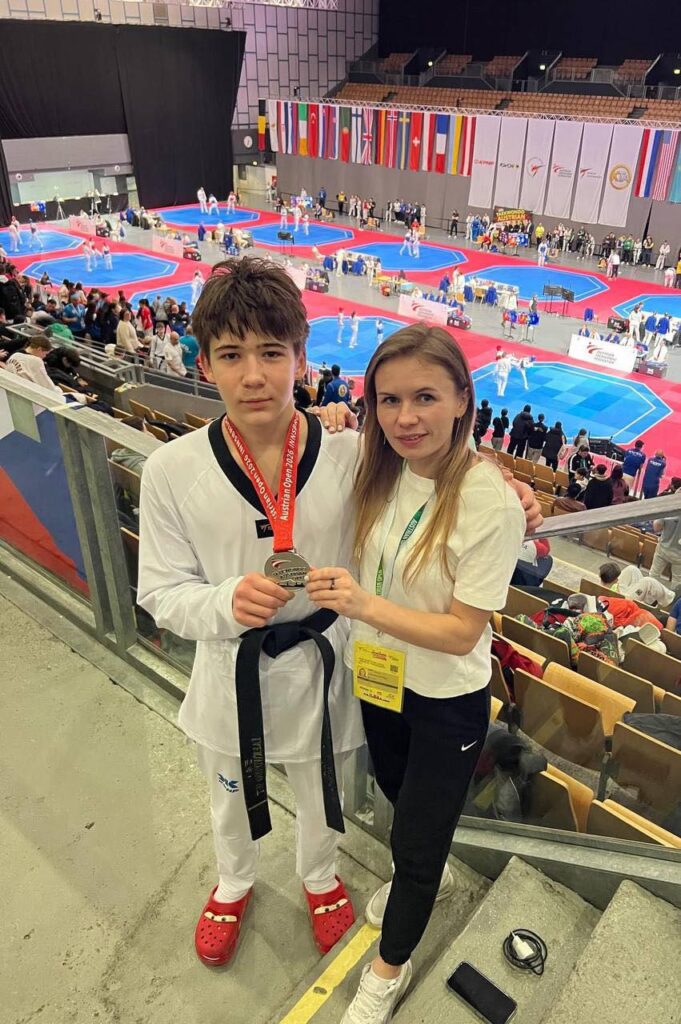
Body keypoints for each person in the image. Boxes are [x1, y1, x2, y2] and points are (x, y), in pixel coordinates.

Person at [137, 257, 366, 968]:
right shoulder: (171, 470)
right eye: (232, 355)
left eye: (271, 353)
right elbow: (159, 591)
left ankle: (319, 875)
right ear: (204, 364)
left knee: (322, 784)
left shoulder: (351, 454)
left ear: (301, 358)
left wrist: (505, 491)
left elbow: (434, 489)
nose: (254, 375)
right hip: (231, 662)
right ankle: (234, 880)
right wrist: (223, 601)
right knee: (228, 788)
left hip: (324, 658)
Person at [305, 325, 526, 1023]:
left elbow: (463, 631)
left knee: (419, 842)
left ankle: (387, 970)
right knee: (398, 799)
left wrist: (364, 605)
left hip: (444, 699)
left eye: (425, 397)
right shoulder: (375, 463)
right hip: (380, 678)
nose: (405, 418)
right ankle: (420, 876)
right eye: (389, 399)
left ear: (462, 398)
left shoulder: (489, 502)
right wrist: (326, 414)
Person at [650, 483, 681, 590]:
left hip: (663, 548)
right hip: (679, 554)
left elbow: (656, 528)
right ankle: (675, 599)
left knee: (654, 575)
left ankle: (649, 596)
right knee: (677, 582)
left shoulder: (668, 509)